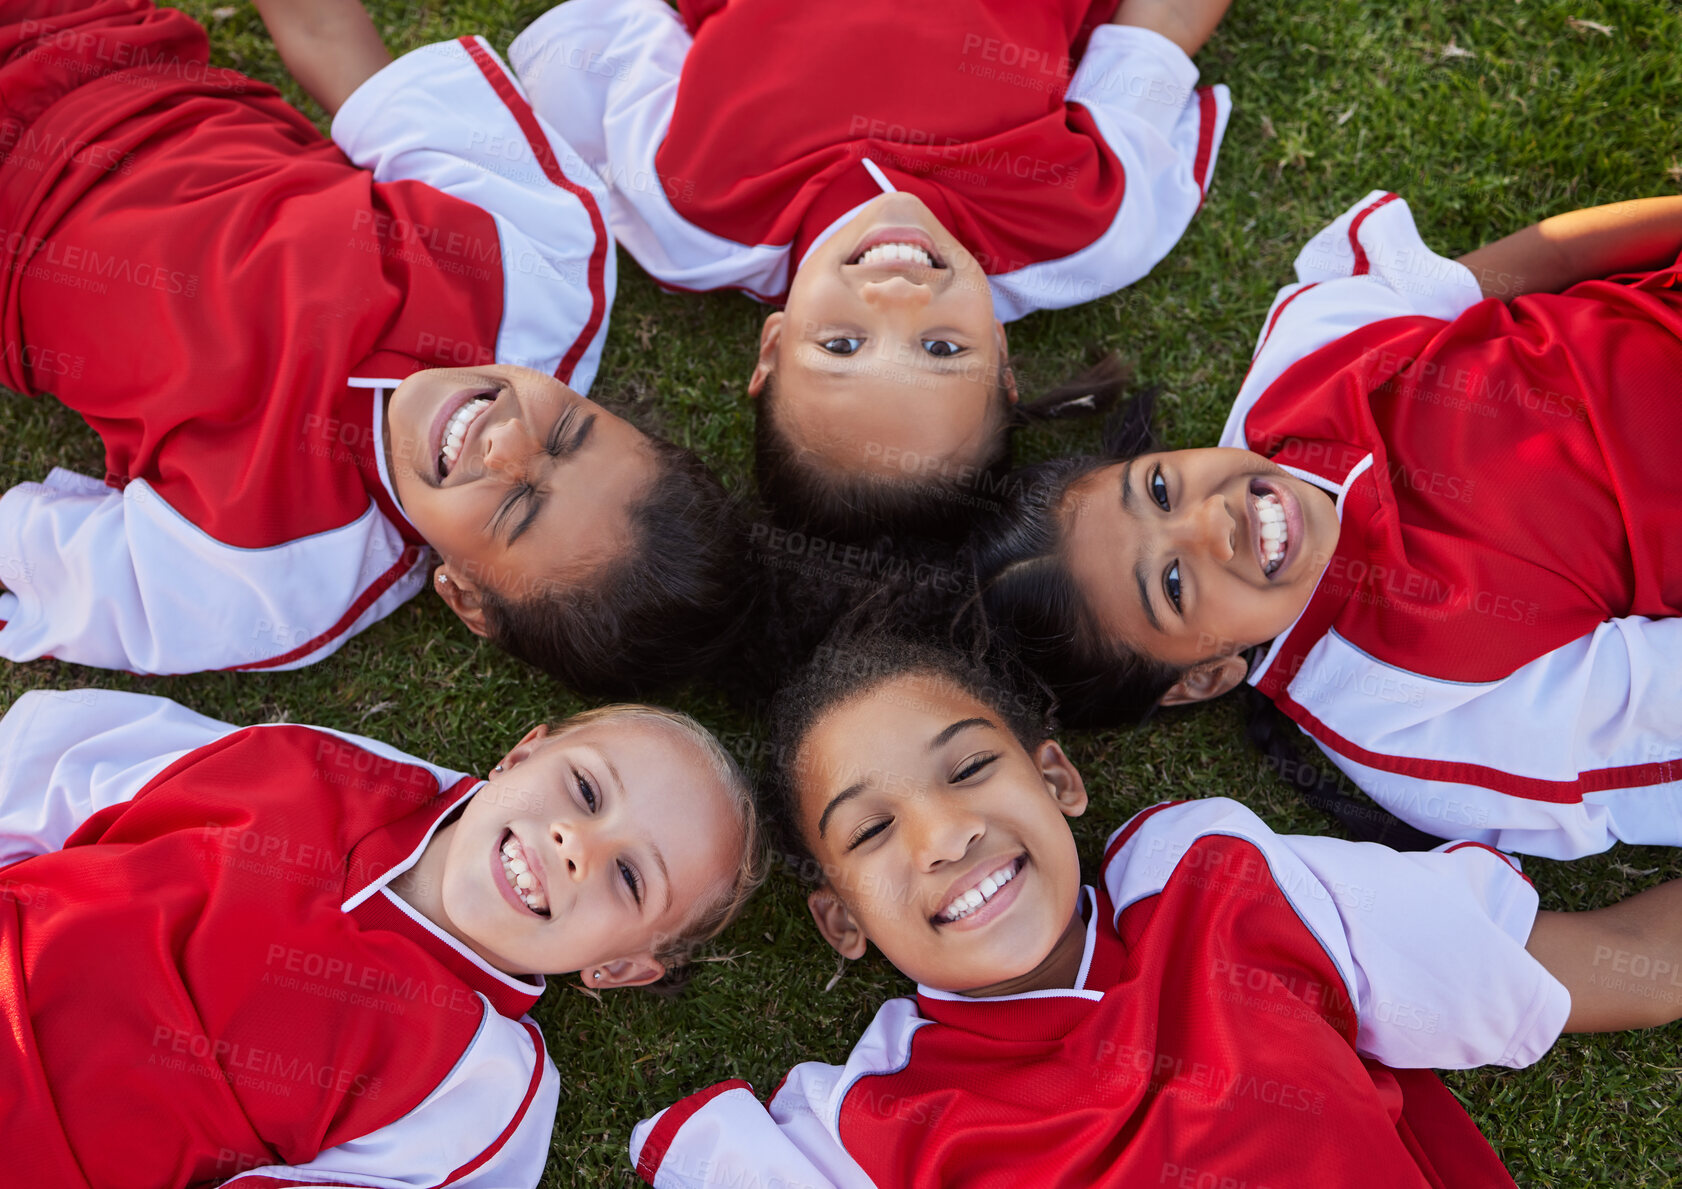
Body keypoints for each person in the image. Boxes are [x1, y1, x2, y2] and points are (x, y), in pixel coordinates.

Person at [629, 636, 1682, 1187]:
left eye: (968, 770)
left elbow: (1623, 963)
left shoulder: (1215, 890)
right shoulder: (863, 1131)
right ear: (841, 923)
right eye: (868, 832)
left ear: (1057, 779)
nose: (941, 837)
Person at [0, 0, 751, 693]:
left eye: (519, 507)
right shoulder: (539, 262)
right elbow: (337, 49)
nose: (509, 439)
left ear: (464, 594)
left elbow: (35, 556)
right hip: (96, 46)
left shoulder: (273, 585)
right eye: (568, 431)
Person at [975, 191, 1682, 858]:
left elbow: (1539, 261)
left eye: (1159, 488)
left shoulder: (1305, 354)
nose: (1210, 521)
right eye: (1172, 583)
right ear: (1204, 675)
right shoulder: (1411, 721)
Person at [507, 0, 1231, 540]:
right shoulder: (1083, 228)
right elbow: (1157, 34)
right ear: (1005, 361)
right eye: (942, 350)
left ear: (774, 345)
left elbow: (598, 37)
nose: (897, 300)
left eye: (842, 346)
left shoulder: (689, 212)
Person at [0, 685, 764, 1188]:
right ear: (521, 753)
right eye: (587, 790)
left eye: (629, 878)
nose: (577, 845)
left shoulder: (481, 1089)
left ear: (618, 965)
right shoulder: (315, 766)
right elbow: (65, 771)